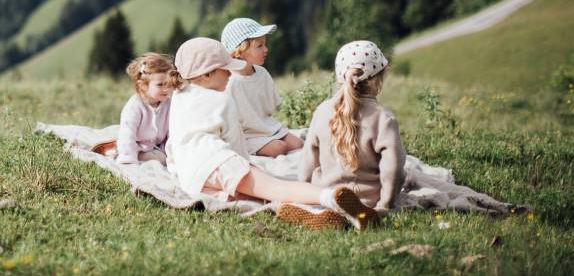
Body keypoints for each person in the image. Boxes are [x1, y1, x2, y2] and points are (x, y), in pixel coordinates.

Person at [166, 37, 380, 230]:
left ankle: (311, 213)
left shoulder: (178, 95)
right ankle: (329, 197)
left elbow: (173, 143)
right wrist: (246, 166)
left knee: (252, 195)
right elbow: (234, 143)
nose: (230, 73)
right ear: (206, 74)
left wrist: (178, 173)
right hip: (219, 161)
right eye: (225, 69)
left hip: (193, 177)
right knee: (275, 186)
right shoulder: (222, 100)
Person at [299, 40, 406, 213]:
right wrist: (385, 205)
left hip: (328, 196)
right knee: (404, 174)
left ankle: (329, 211)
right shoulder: (384, 118)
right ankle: (362, 213)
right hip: (370, 200)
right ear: (377, 79)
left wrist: (303, 192)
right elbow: (392, 169)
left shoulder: (322, 111)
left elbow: (308, 162)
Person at [221, 18, 303, 157]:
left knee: (298, 144)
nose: (266, 49)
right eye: (259, 46)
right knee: (279, 147)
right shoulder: (230, 82)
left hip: (267, 129)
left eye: (265, 44)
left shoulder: (262, 73)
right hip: (247, 136)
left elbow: (270, 107)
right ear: (239, 51)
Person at [115, 53, 181, 165]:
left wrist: (171, 152)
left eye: (168, 84)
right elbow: (127, 133)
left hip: (156, 146)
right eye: (160, 85)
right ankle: (123, 153)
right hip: (137, 146)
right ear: (143, 86)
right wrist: (128, 158)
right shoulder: (135, 106)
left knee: (166, 158)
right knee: (158, 159)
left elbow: (172, 132)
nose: (166, 89)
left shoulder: (168, 104)